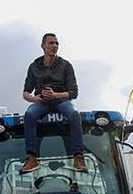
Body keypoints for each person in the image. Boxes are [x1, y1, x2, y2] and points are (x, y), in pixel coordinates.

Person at [19, 33, 87, 174]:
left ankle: (78, 157)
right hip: (42, 102)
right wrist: (35, 98)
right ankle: (31, 158)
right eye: (51, 43)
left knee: (74, 114)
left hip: (62, 101)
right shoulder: (34, 67)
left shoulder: (66, 66)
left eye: (56, 43)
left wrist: (55, 94)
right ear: (43, 46)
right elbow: (25, 93)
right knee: (29, 115)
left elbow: (73, 93)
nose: (54, 46)